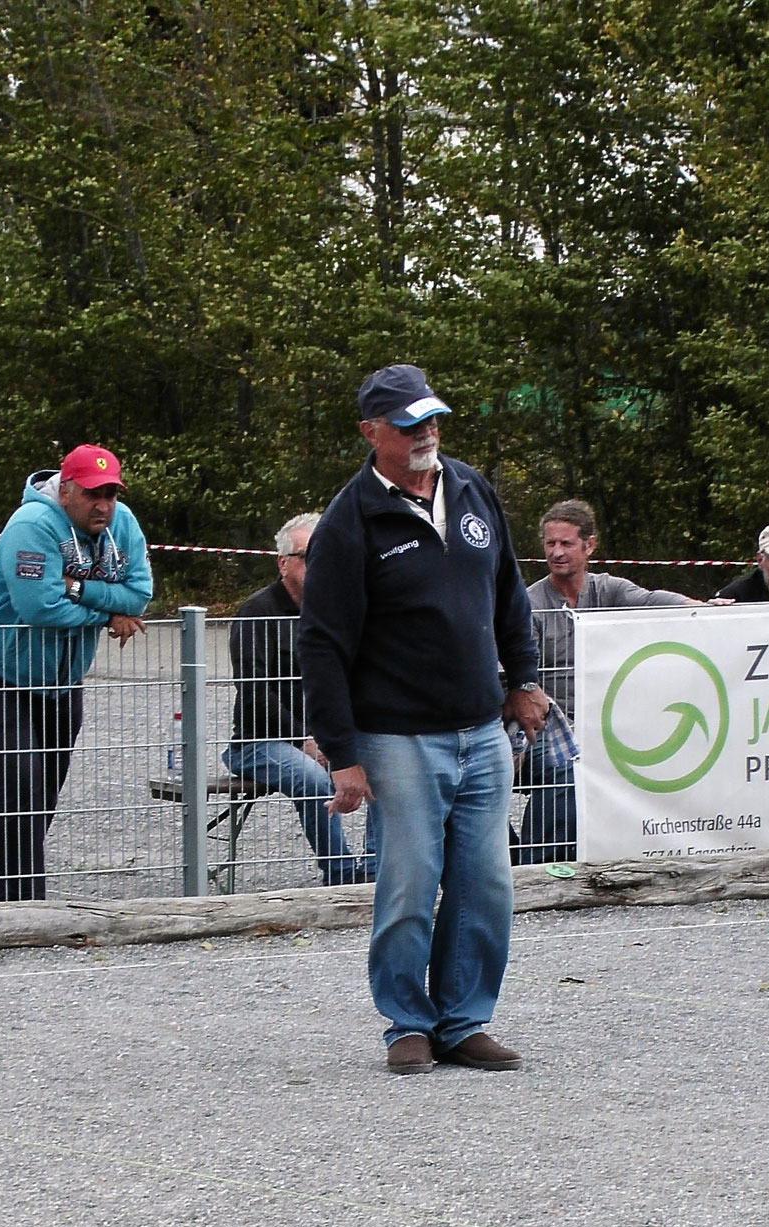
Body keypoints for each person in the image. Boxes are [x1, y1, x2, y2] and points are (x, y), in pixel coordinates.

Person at [298, 363, 549, 1074]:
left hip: (481, 728)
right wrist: (343, 753)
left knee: (485, 883)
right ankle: (407, 1021)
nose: (426, 432)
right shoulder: (349, 522)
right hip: (397, 735)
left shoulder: (470, 488)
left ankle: (463, 1020)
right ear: (370, 432)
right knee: (409, 881)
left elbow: (508, 593)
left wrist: (523, 679)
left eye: (431, 418)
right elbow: (321, 644)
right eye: (409, 424)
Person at [0, 444, 151, 902]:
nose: (102, 505)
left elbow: (139, 594)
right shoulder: (31, 525)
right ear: (65, 491)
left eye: (110, 494)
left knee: (43, 790)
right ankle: (22, 904)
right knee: (22, 778)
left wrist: (75, 587)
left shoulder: (122, 524)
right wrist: (106, 613)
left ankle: (6, 896)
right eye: (91, 494)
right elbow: (39, 608)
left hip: (61, 677)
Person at [520, 497, 692, 863]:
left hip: (608, 722)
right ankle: (534, 867)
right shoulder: (530, 603)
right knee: (566, 767)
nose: (557, 552)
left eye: (566, 543)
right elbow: (522, 679)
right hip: (547, 726)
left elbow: (652, 601)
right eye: (550, 543)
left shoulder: (608, 589)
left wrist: (700, 608)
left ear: (589, 546)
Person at [225, 512, 374, 886]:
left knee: (388, 763)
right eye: (309, 555)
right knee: (311, 778)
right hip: (261, 742)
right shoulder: (256, 612)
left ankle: (376, 870)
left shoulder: (339, 610)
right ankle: (341, 877)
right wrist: (303, 739)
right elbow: (254, 689)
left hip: (327, 737)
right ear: (283, 563)